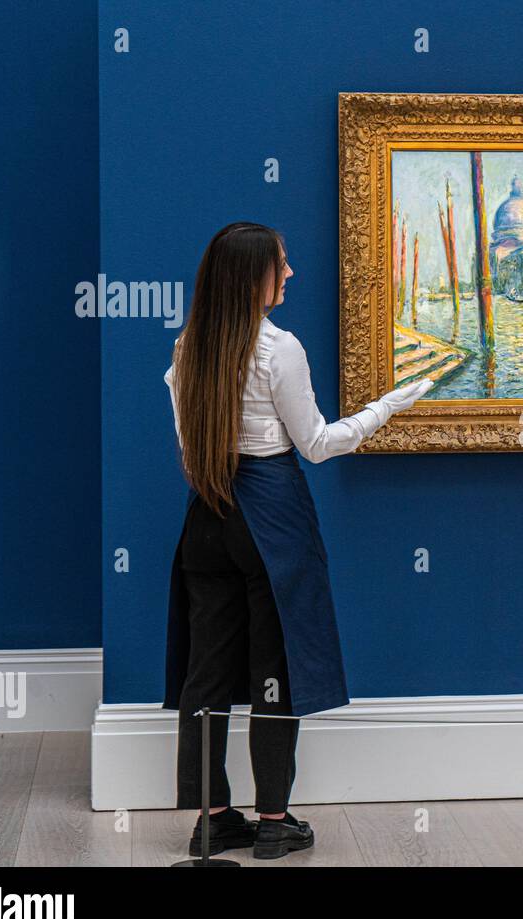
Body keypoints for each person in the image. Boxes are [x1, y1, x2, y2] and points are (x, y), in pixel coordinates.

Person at [162, 222, 433, 858]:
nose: (289, 274)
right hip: (271, 517)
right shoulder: (280, 349)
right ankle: (275, 823)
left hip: (206, 515)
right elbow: (316, 444)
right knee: (273, 673)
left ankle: (215, 820)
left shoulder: (186, 348)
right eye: (280, 265)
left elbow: (189, 445)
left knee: (205, 674)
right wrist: (386, 407)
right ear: (252, 276)